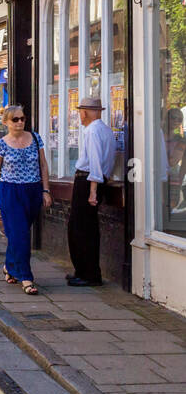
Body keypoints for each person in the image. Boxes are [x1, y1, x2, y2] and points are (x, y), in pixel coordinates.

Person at [0, 107, 52, 295]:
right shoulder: (0, 145)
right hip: (10, 191)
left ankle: (9, 265)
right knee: (21, 235)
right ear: (6, 122)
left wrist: (46, 190)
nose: (20, 122)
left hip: (33, 190)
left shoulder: (35, 138)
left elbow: (43, 165)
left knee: (18, 235)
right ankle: (26, 277)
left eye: (22, 118)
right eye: (15, 119)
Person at [68, 96, 116, 287]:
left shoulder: (92, 131)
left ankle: (89, 275)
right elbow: (109, 161)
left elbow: (95, 162)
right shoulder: (105, 130)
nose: (79, 115)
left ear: (85, 112)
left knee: (81, 229)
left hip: (87, 181)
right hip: (96, 180)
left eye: (80, 111)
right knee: (84, 228)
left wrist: (93, 190)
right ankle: (83, 271)